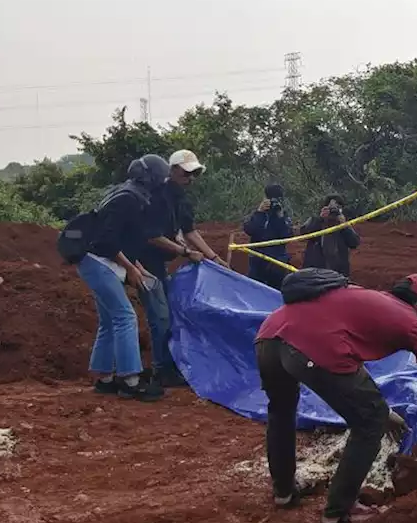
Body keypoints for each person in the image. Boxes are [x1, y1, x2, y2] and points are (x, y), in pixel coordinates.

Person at [255, 271, 417, 523]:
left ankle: (284, 493)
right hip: (308, 346)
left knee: (281, 410)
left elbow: (351, 360)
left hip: (267, 337)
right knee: (369, 423)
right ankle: (339, 512)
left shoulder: (365, 297)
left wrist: (382, 409)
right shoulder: (410, 323)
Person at [78, 154, 170, 401]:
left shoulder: (125, 194)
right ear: (150, 178)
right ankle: (130, 380)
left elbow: (124, 240)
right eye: (159, 179)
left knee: (109, 321)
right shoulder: (128, 199)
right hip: (100, 263)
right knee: (125, 316)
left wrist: (137, 266)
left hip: (96, 262)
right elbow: (107, 241)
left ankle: (104, 378)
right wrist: (130, 268)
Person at [132, 149, 221, 387]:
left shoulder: (181, 198)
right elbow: (152, 236)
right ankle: (162, 370)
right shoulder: (157, 197)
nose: (191, 178)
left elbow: (190, 230)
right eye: (187, 172)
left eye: (195, 174)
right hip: (142, 262)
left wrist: (213, 257)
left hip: (159, 263)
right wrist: (184, 252)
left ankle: (170, 365)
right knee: (160, 316)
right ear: (171, 171)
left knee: (171, 313)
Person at [242, 184, 294, 290]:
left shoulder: (284, 215)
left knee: (277, 293)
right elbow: (250, 229)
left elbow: (287, 235)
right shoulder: (258, 213)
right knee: (255, 291)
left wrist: (280, 217)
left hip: (278, 261)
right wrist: (259, 212)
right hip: (258, 260)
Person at [300, 194, 360, 277]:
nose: (333, 212)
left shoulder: (343, 226)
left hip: (338, 273)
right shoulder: (316, 220)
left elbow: (355, 243)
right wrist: (320, 219)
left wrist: (345, 226)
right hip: (316, 272)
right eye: (331, 209)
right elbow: (303, 234)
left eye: (337, 208)